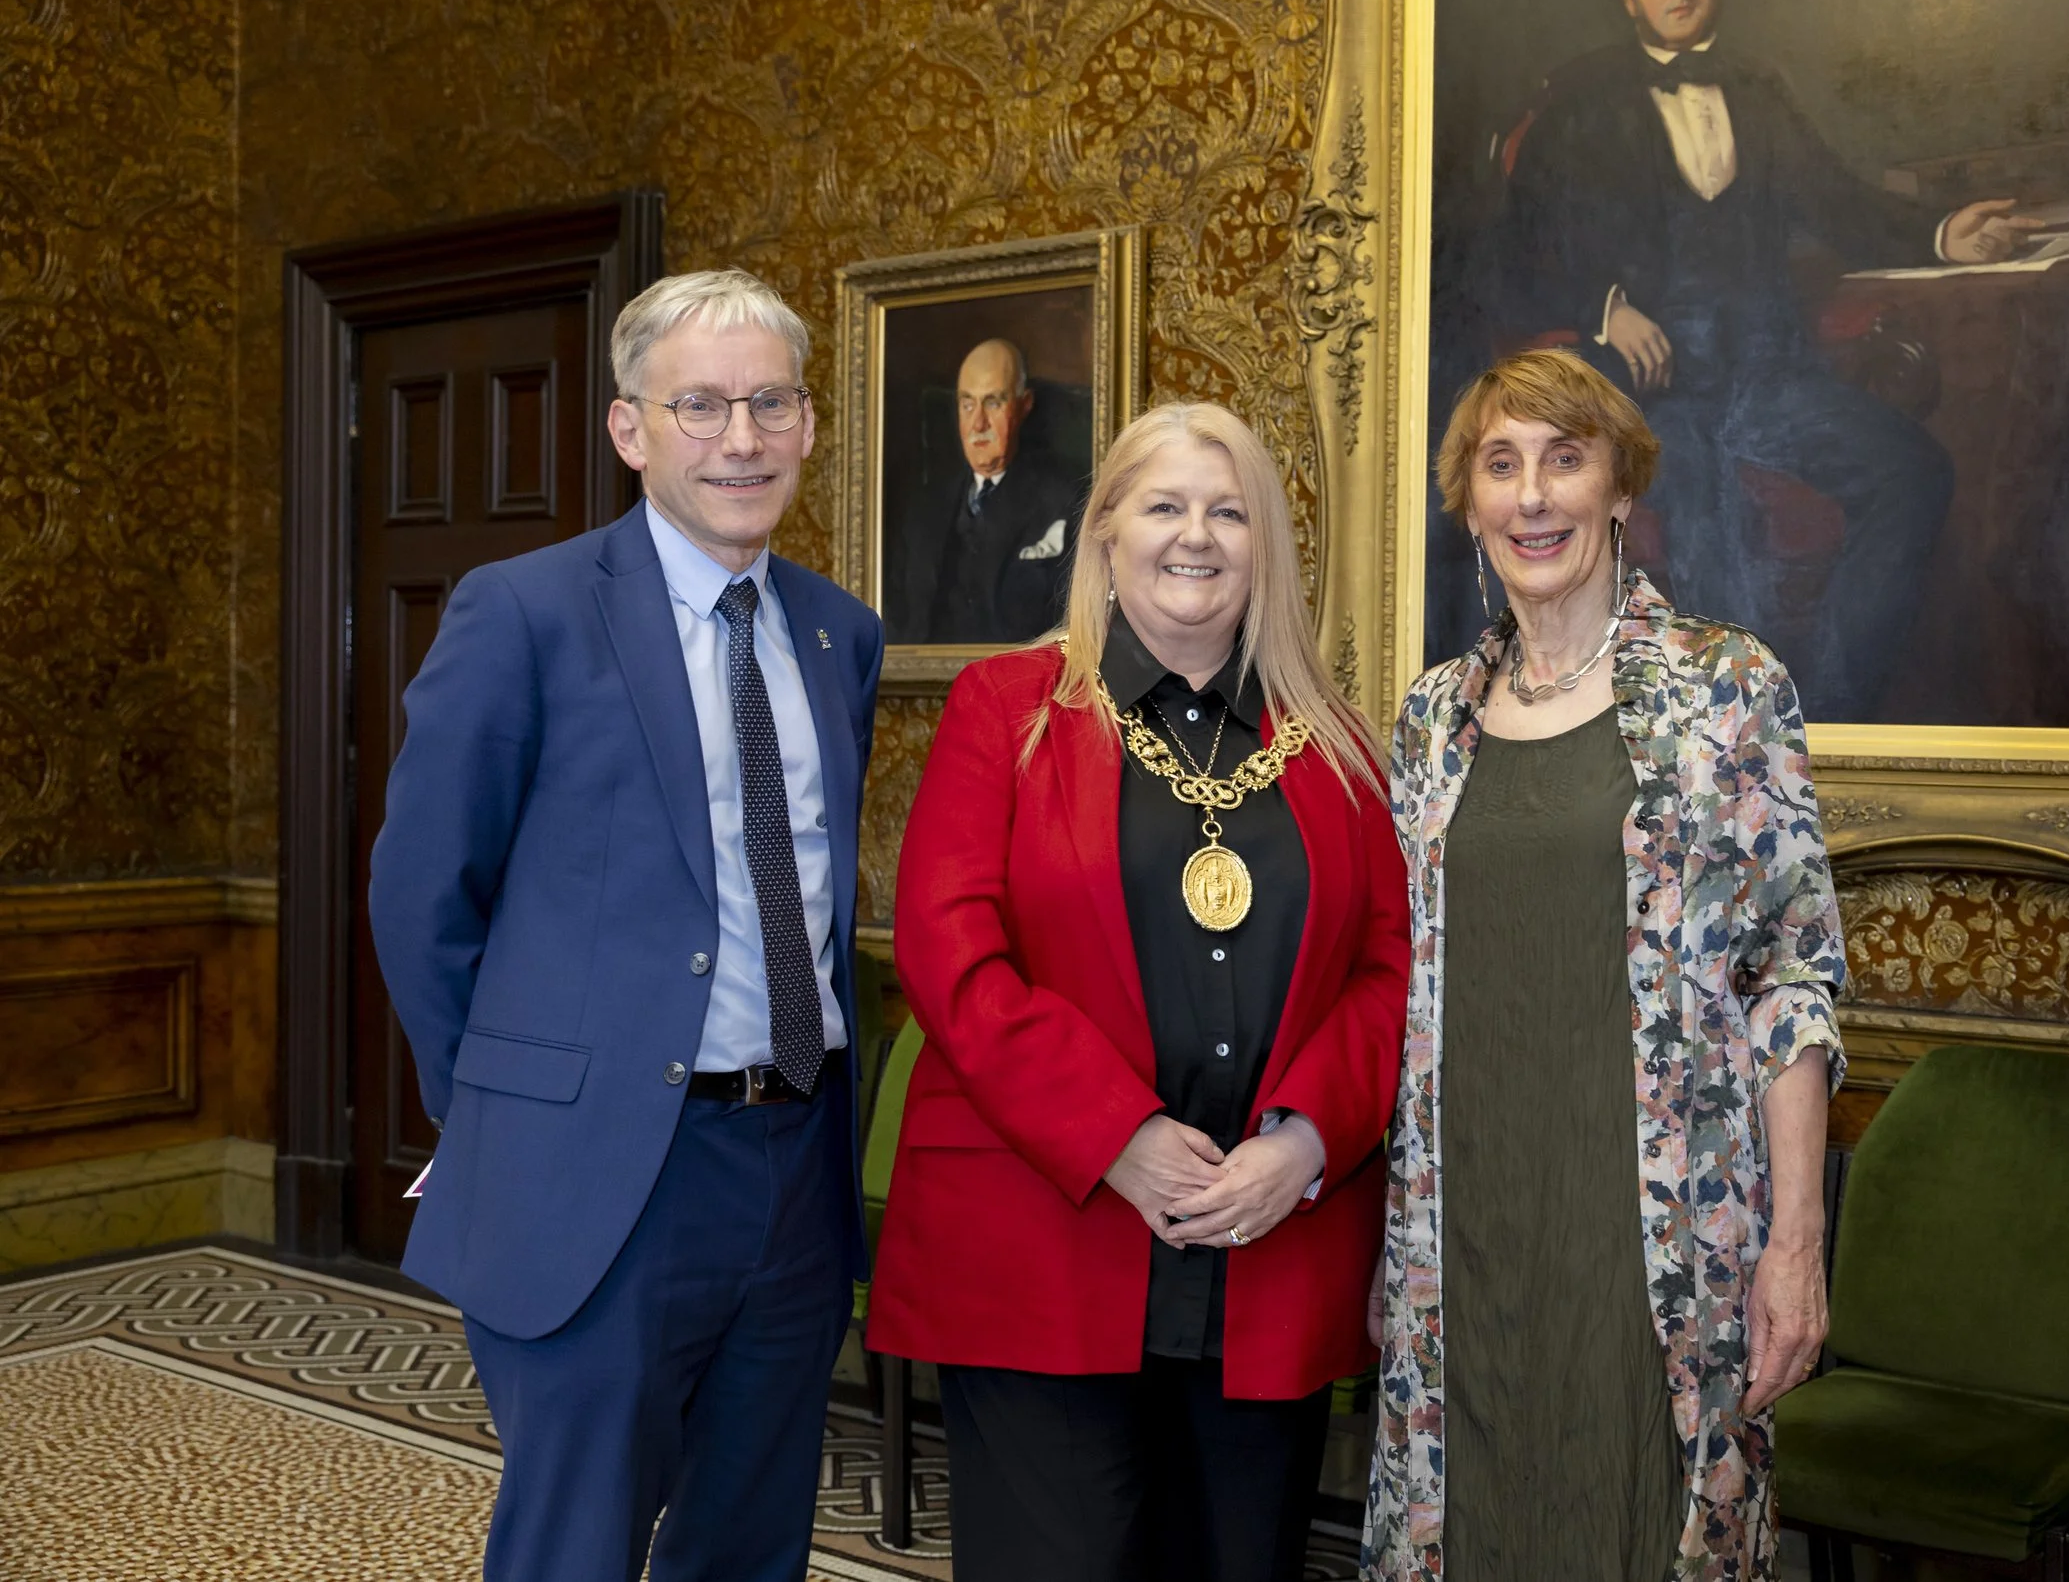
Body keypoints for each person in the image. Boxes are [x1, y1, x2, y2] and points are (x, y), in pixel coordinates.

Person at [369, 269, 881, 1582]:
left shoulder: (839, 634)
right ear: (629, 427)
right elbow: (424, 894)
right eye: (700, 404)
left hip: (796, 1162)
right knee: (576, 1543)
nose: (741, 438)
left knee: (750, 1542)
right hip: (601, 1177)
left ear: (809, 424)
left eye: (771, 403)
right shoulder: (525, 610)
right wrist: (512, 1114)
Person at [871, 402, 1409, 1582]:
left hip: (1268, 1246)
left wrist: (1305, 1142)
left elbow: (1389, 976)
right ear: (1106, 530)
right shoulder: (1004, 709)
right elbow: (950, 954)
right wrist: (1115, 1134)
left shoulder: (1341, 749)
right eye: (1164, 505)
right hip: (1043, 1243)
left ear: (1265, 545)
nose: (1196, 536)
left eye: (1229, 511)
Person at [1366, 348, 1847, 1581]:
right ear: (1470, 501)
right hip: (1464, 1231)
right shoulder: (1431, 721)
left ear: (1620, 488)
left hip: (1658, 1240)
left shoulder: (1727, 690)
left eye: (1564, 460)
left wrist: (1795, 1244)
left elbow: (1790, 979)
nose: (1532, 496)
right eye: (1501, 464)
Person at [1499, 0, 2045, 718]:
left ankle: (1826, 714)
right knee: (1710, 517)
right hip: (1655, 393)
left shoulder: (1757, 89)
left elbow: (1842, 200)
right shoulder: (1584, 100)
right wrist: (1606, 308)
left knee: (1916, 472)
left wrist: (1943, 231)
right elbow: (1522, 244)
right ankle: (1722, 739)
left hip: (1768, 379)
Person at [888, 336, 1087, 644]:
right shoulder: (924, 511)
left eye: (993, 402)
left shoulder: (1064, 499)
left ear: (1024, 405)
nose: (978, 423)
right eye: (967, 404)